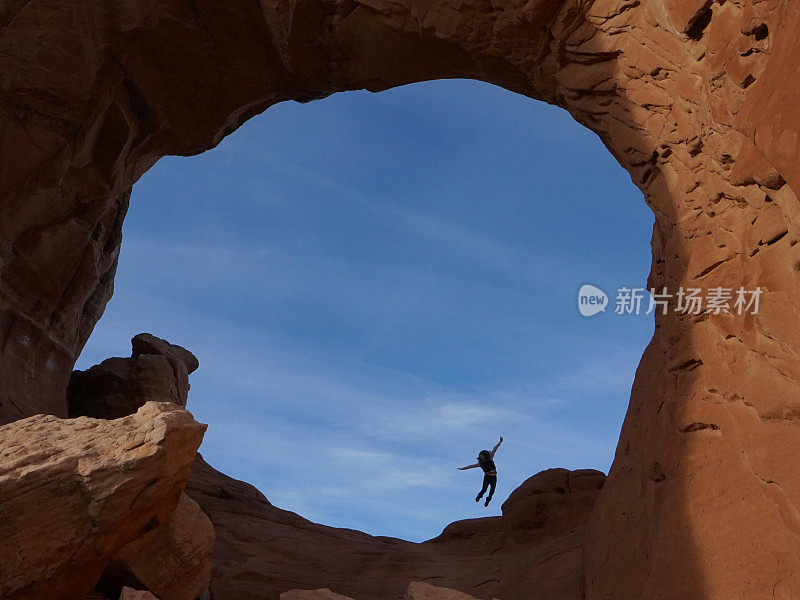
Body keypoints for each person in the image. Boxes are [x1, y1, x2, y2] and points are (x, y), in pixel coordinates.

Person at [458, 436, 502, 506]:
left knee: (492, 490)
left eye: (482, 455)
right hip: (487, 477)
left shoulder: (490, 458)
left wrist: (499, 443)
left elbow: (494, 449)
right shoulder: (480, 464)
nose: (481, 456)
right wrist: (462, 468)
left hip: (494, 477)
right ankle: (479, 496)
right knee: (484, 490)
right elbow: (471, 466)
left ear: (485, 455)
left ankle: (488, 500)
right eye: (480, 456)